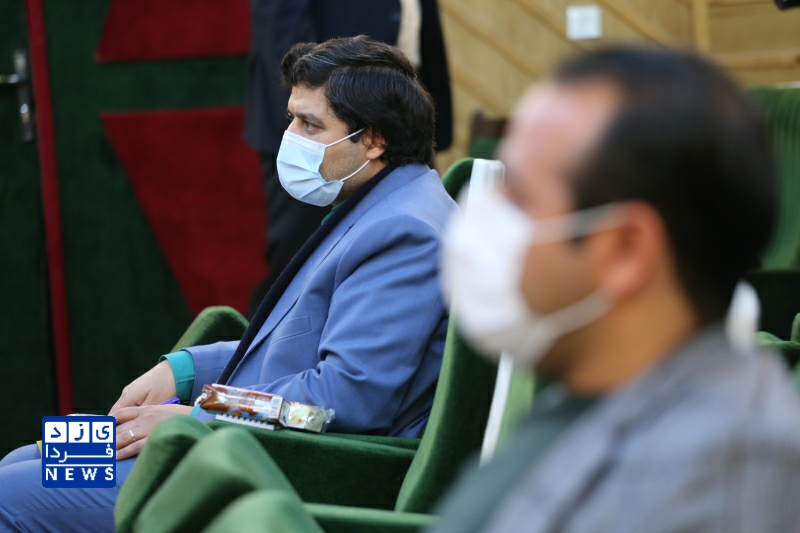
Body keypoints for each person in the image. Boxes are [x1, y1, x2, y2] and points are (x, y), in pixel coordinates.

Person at [0, 36, 455, 532]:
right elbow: (293, 341)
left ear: (375, 139)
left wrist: (200, 416)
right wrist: (183, 370)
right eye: (291, 119)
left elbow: (343, 400)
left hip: (278, 466)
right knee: (24, 460)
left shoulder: (404, 234)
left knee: (9, 495)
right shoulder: (384, 202)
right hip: (244, 440)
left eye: (310, 124)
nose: (290, 137)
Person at [434, 46, 800, 532]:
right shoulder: (588, 396)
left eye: (519, 198)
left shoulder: (719, 476)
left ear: (627, 249)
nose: (482, 221)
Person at [245, 0, 452, 316]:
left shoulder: (412, 231)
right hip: (334, 119)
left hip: (392, 120)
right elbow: (280, 20)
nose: (293, 130)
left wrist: (428, 127)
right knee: (296, 275)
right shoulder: (309, 130)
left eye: (303, 123)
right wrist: (311, 123)